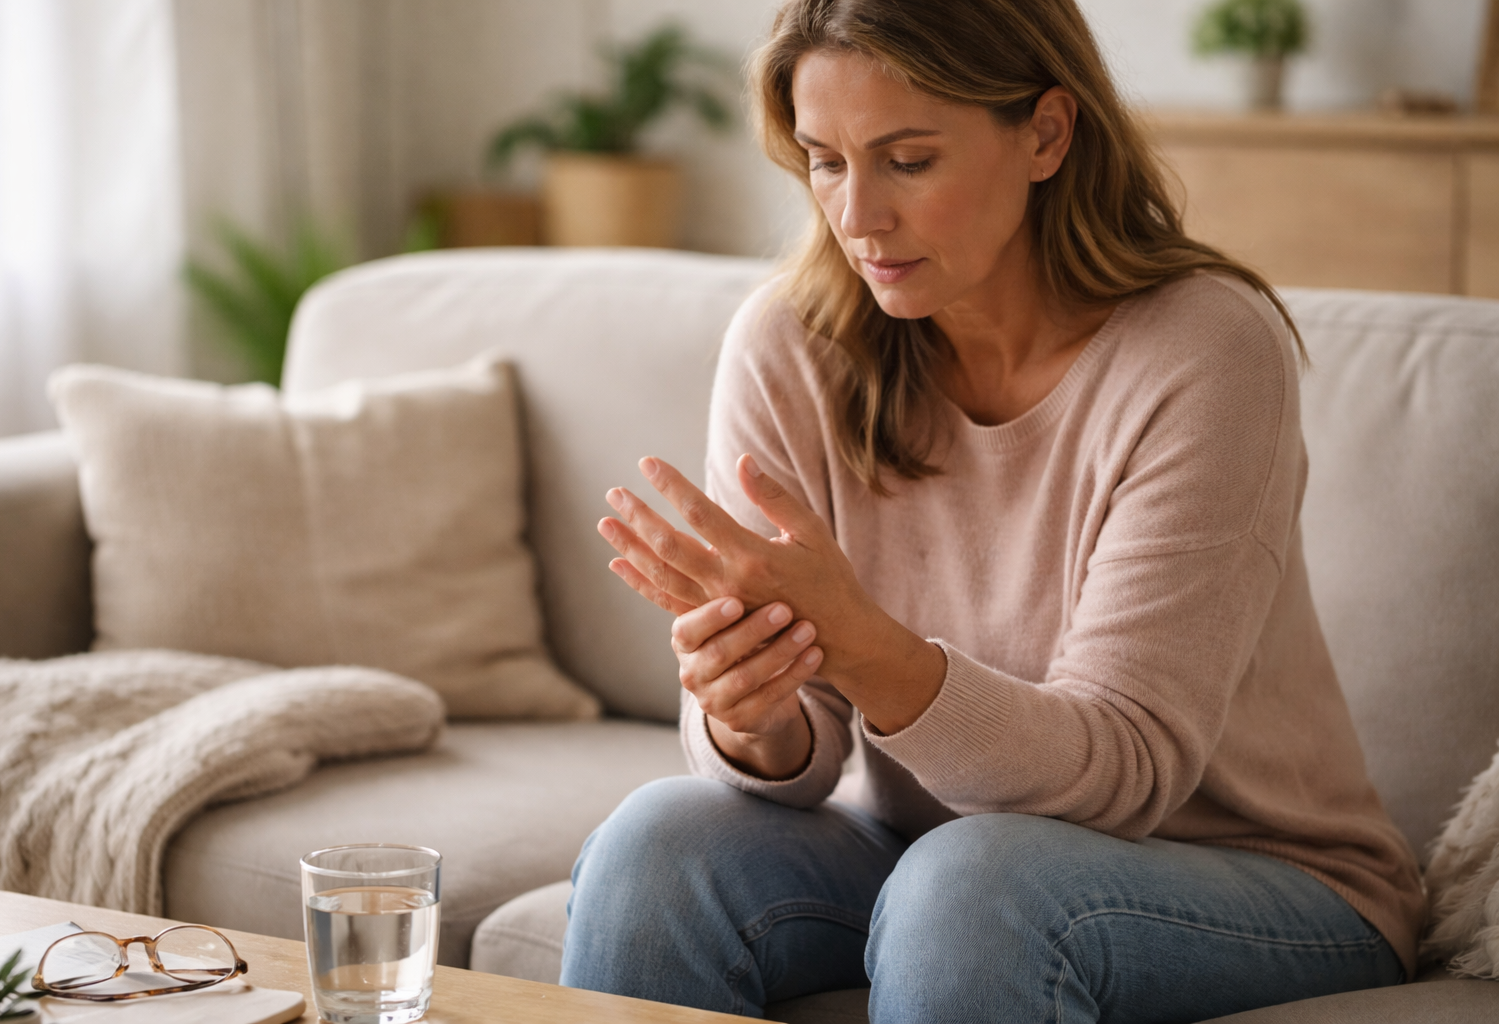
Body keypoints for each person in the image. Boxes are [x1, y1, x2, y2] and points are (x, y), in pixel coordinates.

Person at [559, 1, 1425, 1020]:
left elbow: (1129, 767)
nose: (858, 215)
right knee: (657, 843)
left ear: (1047, 134)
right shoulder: (790, 342)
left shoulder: (1204, 351)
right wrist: (750, 711)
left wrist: (861, 643)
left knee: (975, 885)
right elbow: (802, 762)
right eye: (825, 161)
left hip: (1254, 871)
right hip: (940, 847)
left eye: (909, 160)